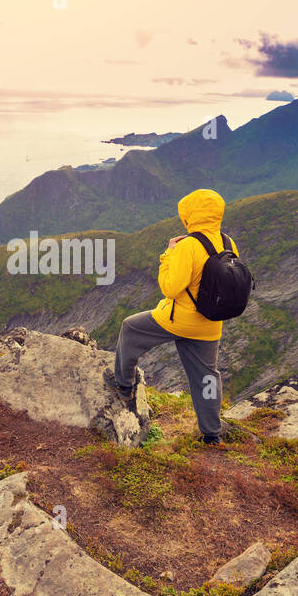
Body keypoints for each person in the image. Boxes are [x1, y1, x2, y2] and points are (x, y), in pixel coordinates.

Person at [104, 188, 238, 444]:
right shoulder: (229, 242)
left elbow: (170, 287)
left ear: (191, 216)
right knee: (207, 376)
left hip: (179, 320)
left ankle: (123, 385)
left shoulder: (188, 246)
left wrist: (168, 254)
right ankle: (212, 433)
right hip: (210, 324)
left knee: (130, 329)